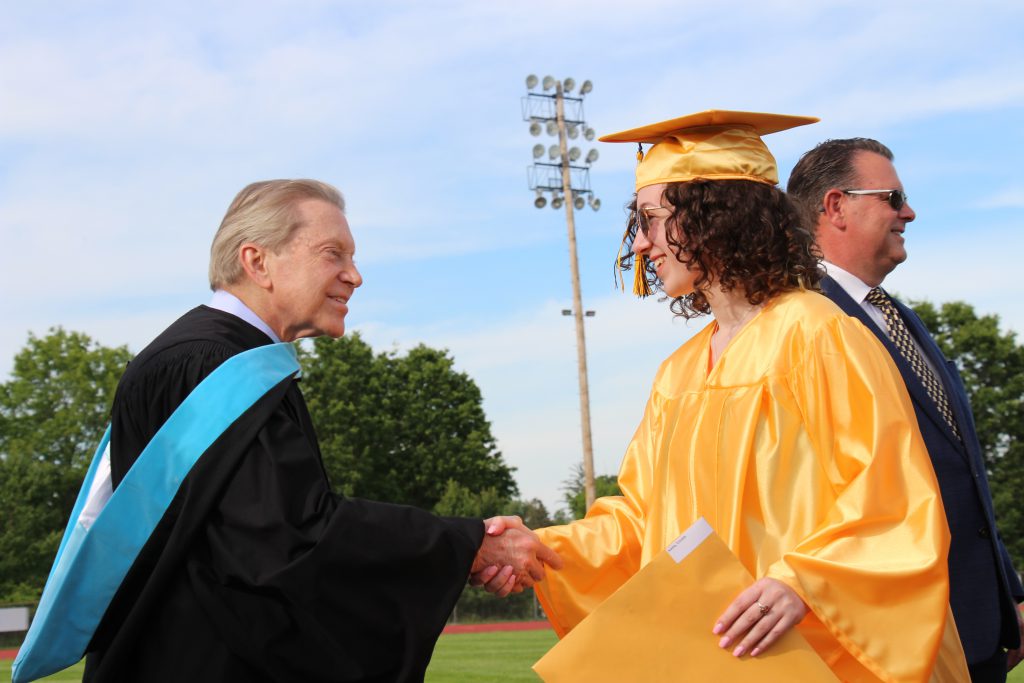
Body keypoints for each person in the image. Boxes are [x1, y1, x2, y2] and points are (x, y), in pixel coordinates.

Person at [22, 179, 560, 683]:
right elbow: (287, 538)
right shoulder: (210, 365)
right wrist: (468, 546)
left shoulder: (215, 358)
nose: (356, 274)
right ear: (257, 261)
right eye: (334, 253)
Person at [530, 111, 967, 682]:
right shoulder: (678, 374)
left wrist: (803, 582)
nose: (641, 244)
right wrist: (536, 551)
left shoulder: (820, 335)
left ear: (715, 218)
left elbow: (891, 504)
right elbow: (638, 524)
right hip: (716, 658)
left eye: (653, 220)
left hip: (815, 657)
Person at [787, 138, 1024, 682]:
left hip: (976, 627)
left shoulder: (900, 318)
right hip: (892, 642)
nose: (908, 212)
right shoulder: (804, 325)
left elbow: (958, 469)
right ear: (835, 206)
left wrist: (1006, 591)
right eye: (893, 197)